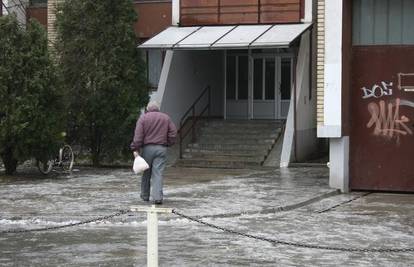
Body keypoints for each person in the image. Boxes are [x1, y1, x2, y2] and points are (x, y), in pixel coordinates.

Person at [130, 101, 177, 205]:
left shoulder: (143, 118)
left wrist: (135, 148)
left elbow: (138, 136)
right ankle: (157, 198)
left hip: (147, 149)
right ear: (158, 108)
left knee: (146, 172)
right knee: (158, 173)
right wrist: (168, 143)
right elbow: (173, 133)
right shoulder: (166, 118)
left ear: (147, 108)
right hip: (161, 148)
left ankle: (145, 195)